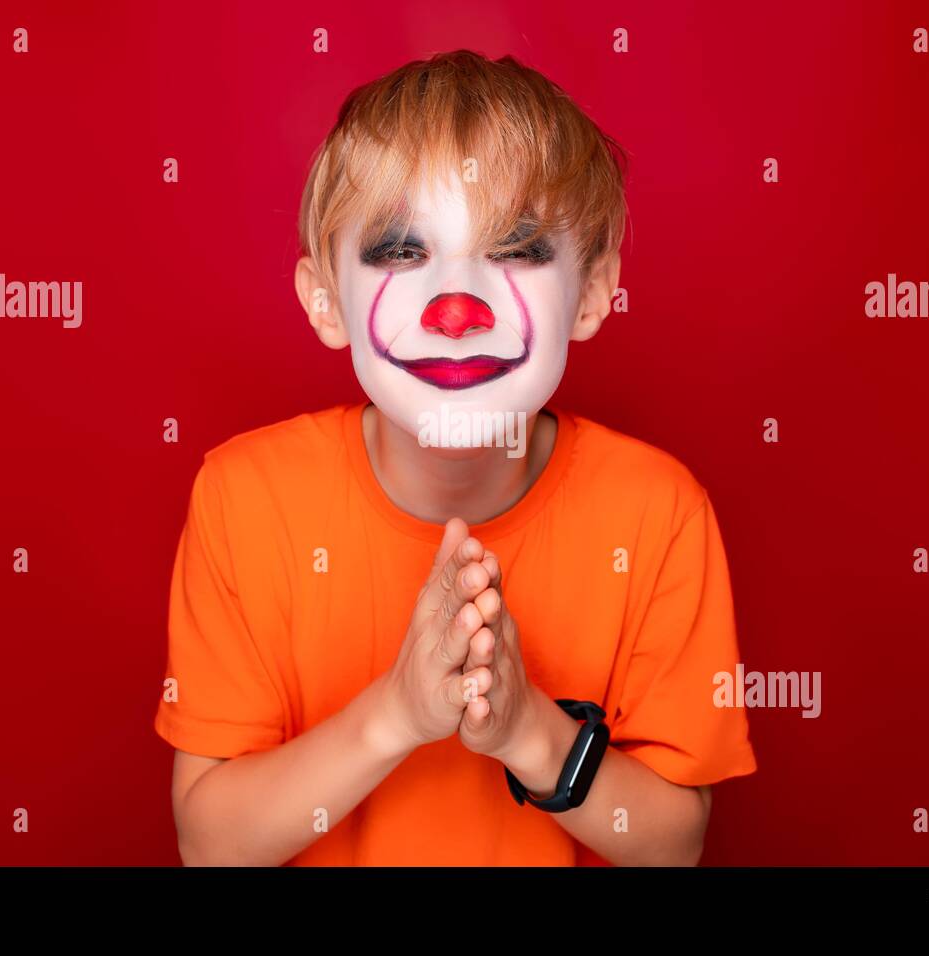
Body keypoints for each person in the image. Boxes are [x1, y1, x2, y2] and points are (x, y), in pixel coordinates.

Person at [153, 49, 756, 866]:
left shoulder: (658, 510)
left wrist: (527, 731)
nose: (456, 310)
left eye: (515, 246)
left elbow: (673, 847)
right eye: (402, 251)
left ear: (593, 290)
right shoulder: (244, 496)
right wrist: (397, 715)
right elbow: (213, 849)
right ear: (324, 301)